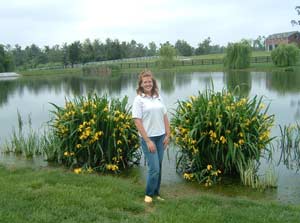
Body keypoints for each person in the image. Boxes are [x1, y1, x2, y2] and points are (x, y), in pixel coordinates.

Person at [132, 70, 170, 203]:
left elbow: (165, 115)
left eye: (150, 82)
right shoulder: (139, 99)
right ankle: (148, 194)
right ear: (141, 84)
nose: (148, 84)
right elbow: (137, 121)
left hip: (161, 138)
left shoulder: (158, 96)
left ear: (153, 83)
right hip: (149, 139)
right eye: (145, 82)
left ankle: (156, 193)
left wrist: (168, 135)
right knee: (154, 168)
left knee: (159, 166)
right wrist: (148, 140)